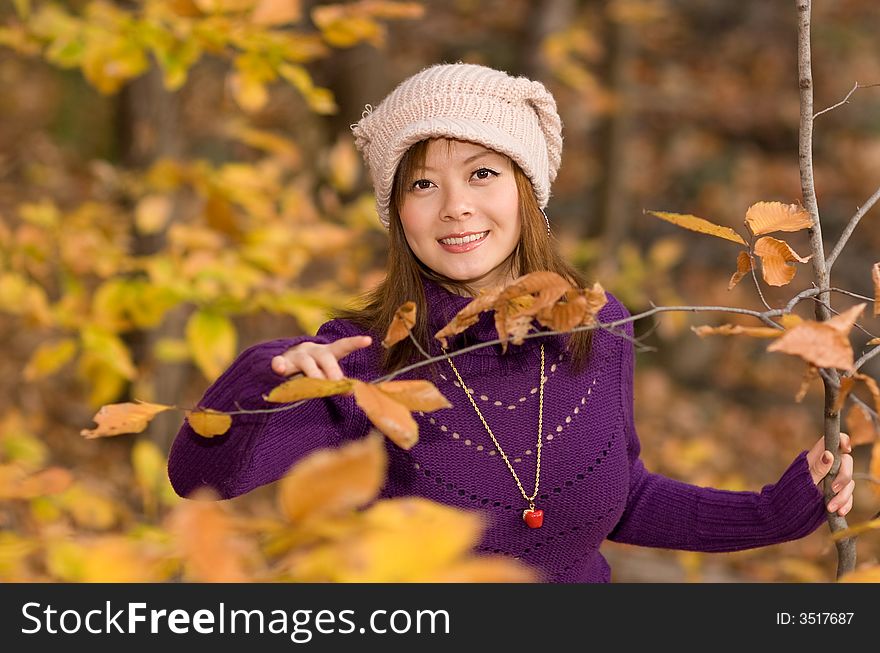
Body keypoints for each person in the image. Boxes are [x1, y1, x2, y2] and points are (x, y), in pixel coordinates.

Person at [167, 63, 855, 583]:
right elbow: (200, 477)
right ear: (399, 212)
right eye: (424, 184)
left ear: (527, 191)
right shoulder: (364, 361)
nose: (456, 207)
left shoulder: (599, 327)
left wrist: (774, 510)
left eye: (482, 173)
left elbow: (619, 495)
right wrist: (264, 373)